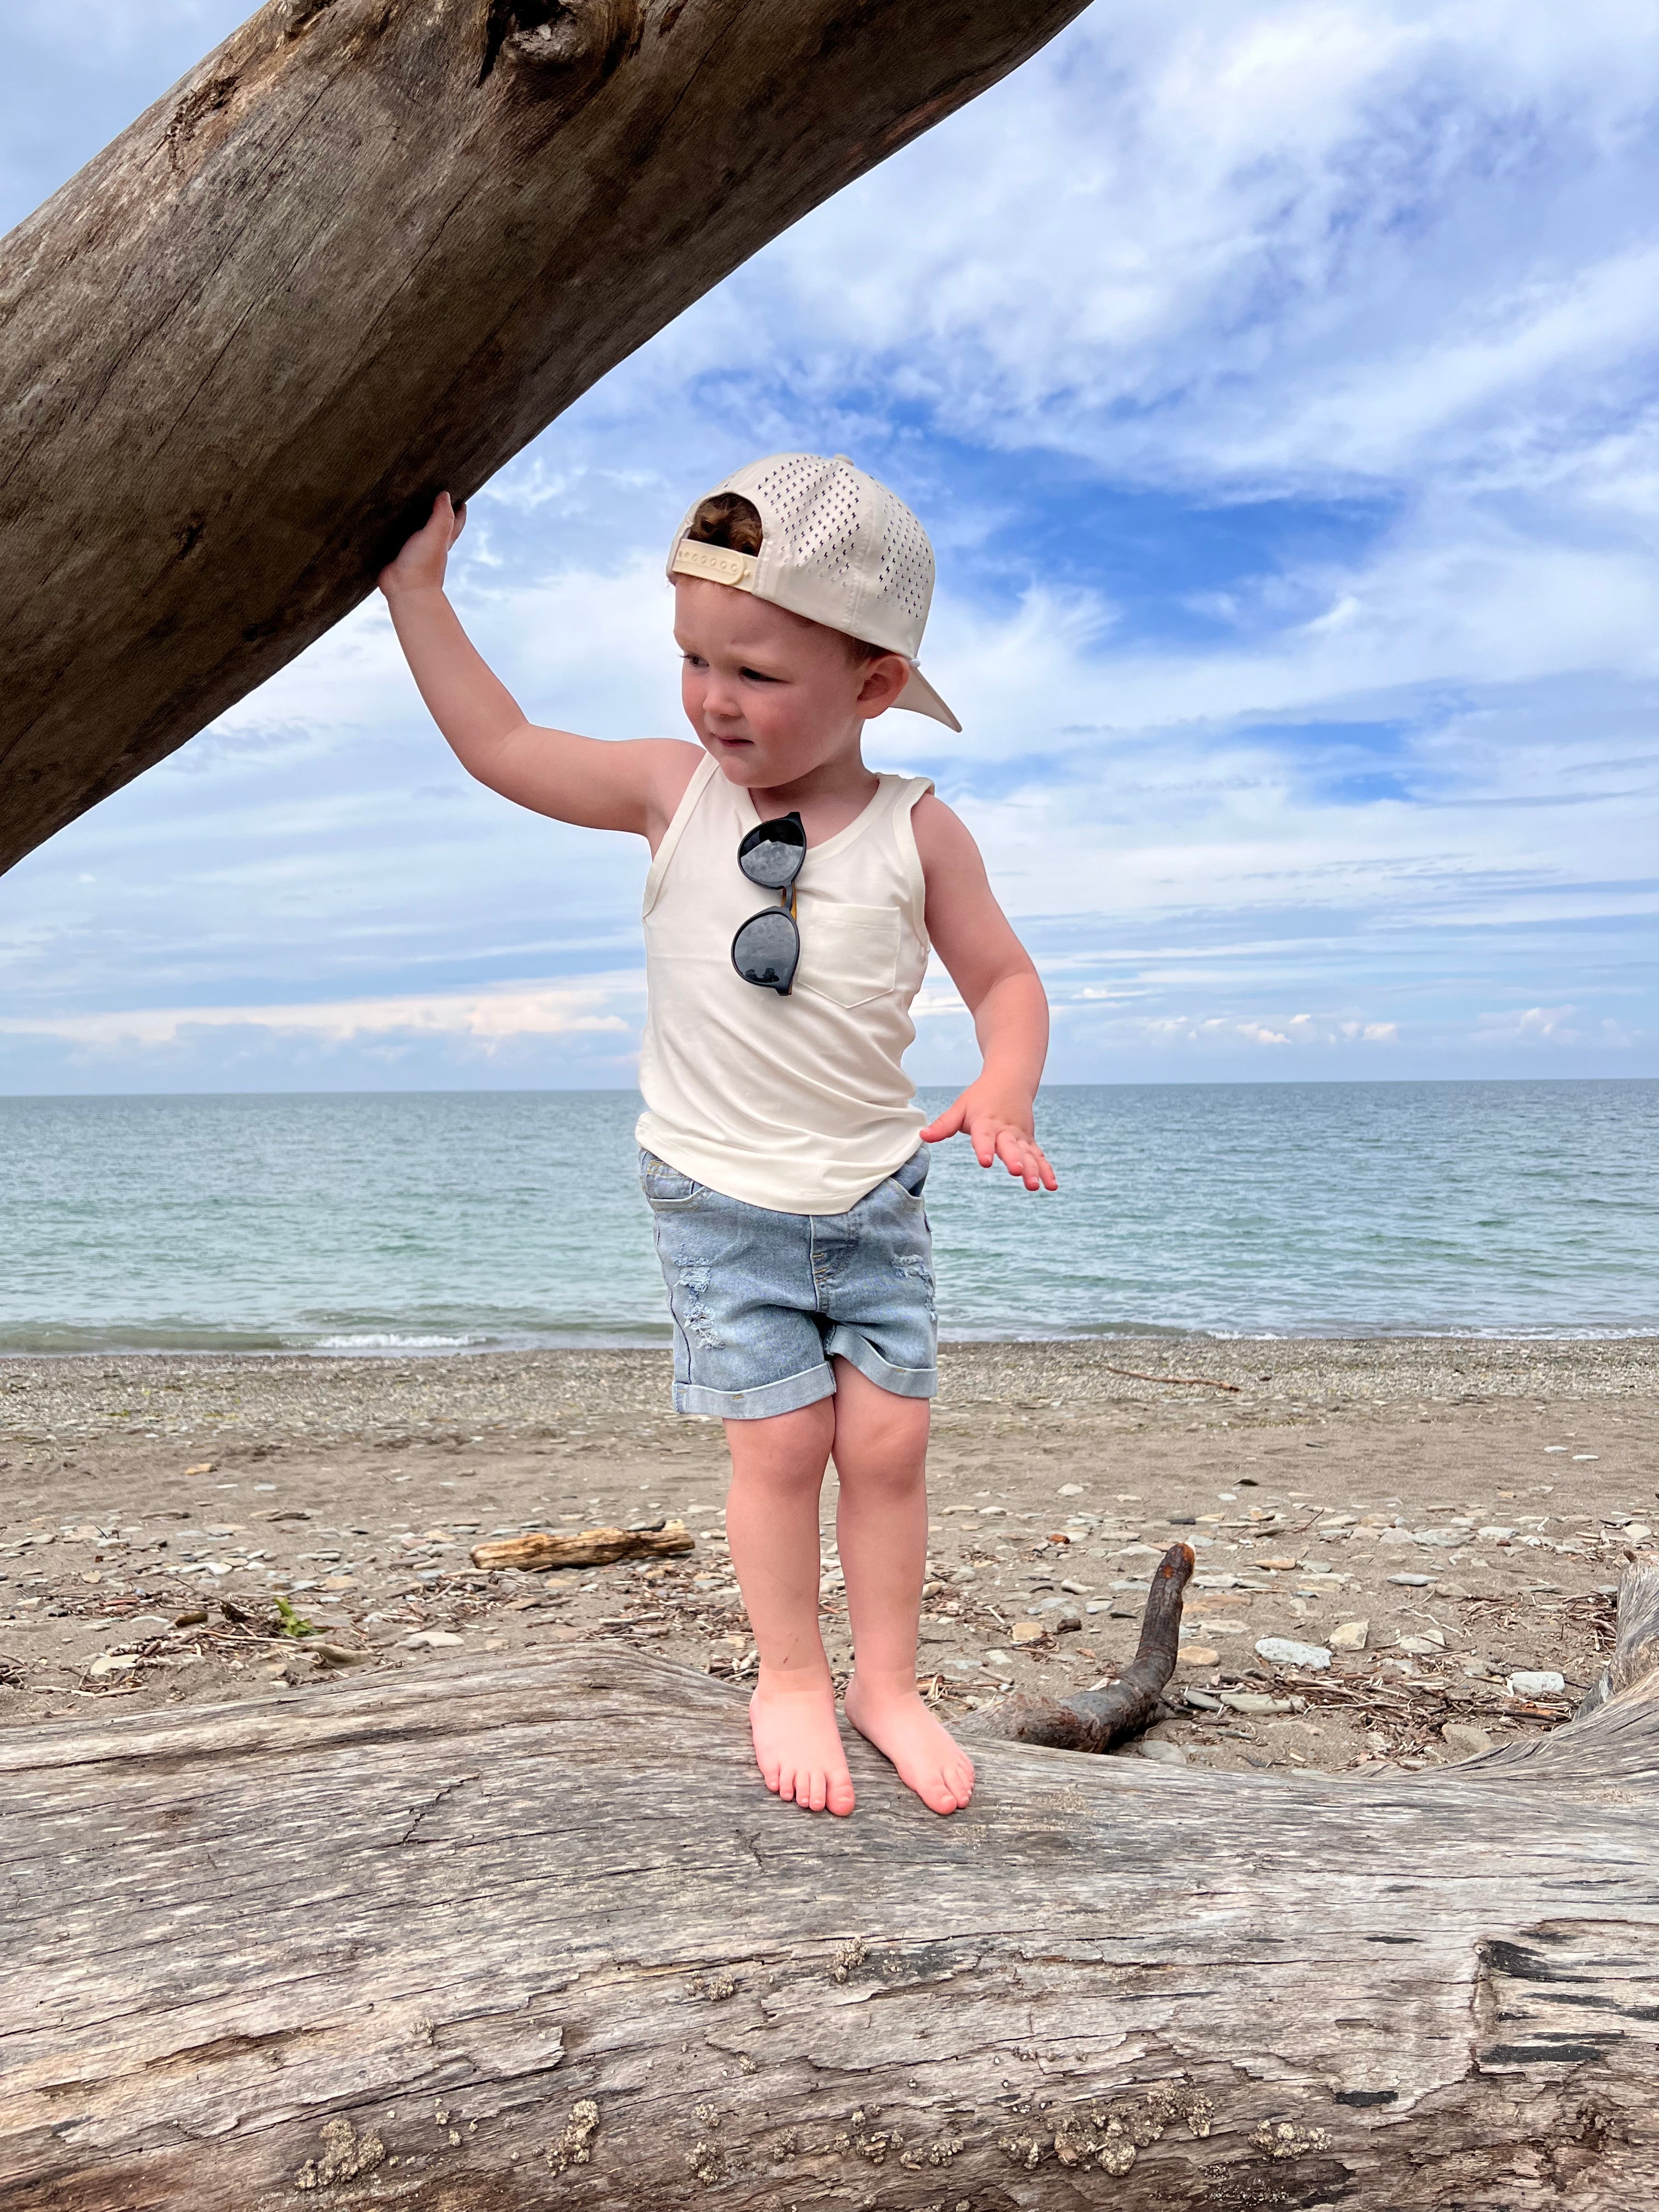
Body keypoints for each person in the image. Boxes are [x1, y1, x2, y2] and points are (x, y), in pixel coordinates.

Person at [380, 452, 1056, 1818]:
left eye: (752, 673)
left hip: (873, 1199)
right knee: (781, 1445)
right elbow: (501, 746)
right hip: (718, 1199)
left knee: (888, 1447)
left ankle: (892, 1681)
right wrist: (417, 595)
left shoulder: (922, 833)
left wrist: (1005, 1085)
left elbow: (1008, 980)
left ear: (873, 686)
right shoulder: (667, 793)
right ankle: (792, 1674)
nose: (711, 699)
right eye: (694, 659)